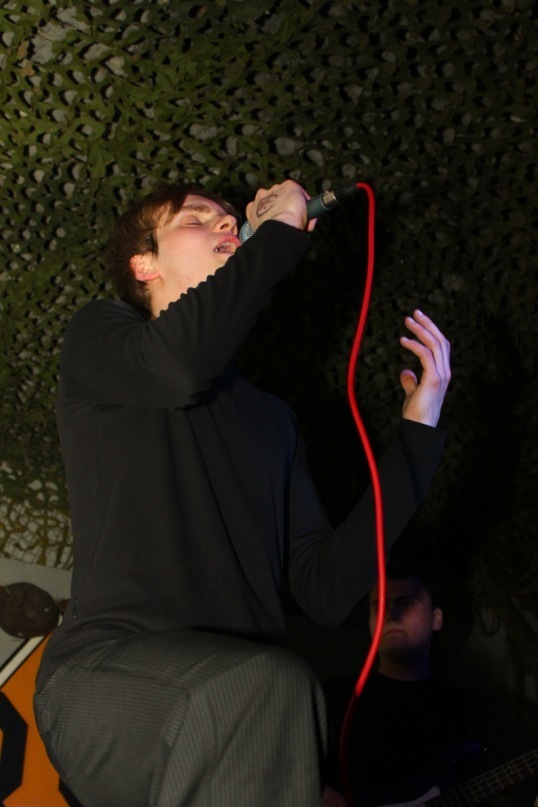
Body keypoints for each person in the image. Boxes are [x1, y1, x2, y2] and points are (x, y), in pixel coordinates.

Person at [33, 179, 451, 807]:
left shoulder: (272, 420)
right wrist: (277, 234)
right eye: (197, 219)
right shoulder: (104, 337)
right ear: (143, 264)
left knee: (275, 696)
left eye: (231, 218)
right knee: (267, 687)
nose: (226, 224)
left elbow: (326, 589)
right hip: (109, 675)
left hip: (241, 705)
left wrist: (418, 438)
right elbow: (176, 367)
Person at [322, 551, 538, 807]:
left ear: (437, 619)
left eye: (406, 603)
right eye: (378, 607)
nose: (390, 615)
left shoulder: (476, 709)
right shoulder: (329, 698)